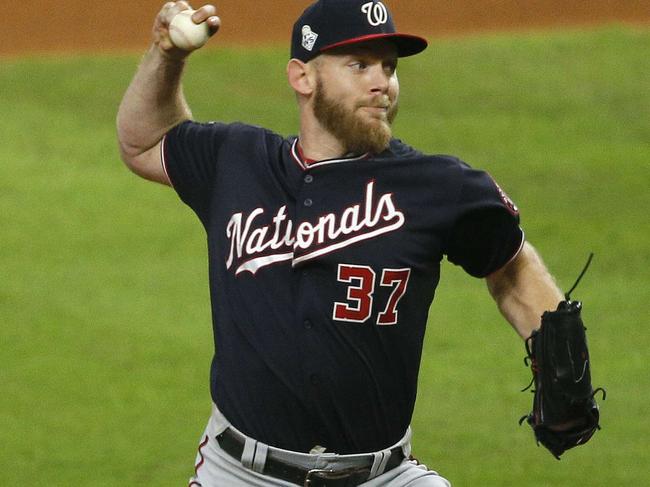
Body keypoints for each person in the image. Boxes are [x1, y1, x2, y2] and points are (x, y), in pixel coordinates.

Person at [117, 1, 566, 485]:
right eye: (360, 65)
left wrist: (558, 351)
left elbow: (512, 266)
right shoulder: (237, 161)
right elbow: (143, 141)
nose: (383, 84)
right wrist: (167, 56)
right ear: (302, 77)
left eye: (389, 68)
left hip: (382, 476)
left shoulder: (437, 186)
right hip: (241, 473)